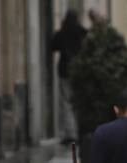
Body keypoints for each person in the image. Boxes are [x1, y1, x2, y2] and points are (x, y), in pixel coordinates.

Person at [50, 10, 87, 145]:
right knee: (78, 102)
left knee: (66, 103)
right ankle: (79, 131)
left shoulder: (62, 33)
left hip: (65, 72)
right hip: (80, 72)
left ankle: (71, 134)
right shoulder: (82, 32)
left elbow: (53, 45)